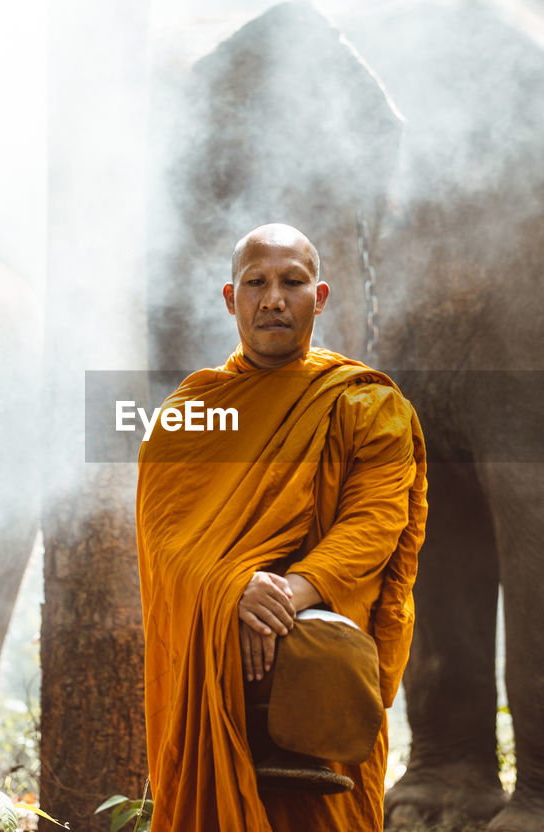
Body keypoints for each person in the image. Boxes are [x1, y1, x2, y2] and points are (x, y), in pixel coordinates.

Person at [135, 223, 427, 831]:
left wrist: (283, 599)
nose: (273, 299)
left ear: (318, 297)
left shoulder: (366, 406)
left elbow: (374, 524)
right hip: (215, 676)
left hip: (323, 677)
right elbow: (167, 542)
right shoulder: (192, 415)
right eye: (256, 283)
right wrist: (234, 591)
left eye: (292, 282)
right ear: (229, 297)